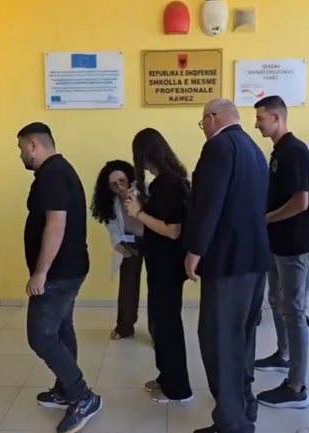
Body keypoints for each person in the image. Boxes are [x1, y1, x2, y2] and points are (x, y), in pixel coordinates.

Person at [186, 98, 270, 433]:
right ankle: (245, 406)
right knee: (242, 338)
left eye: (202, 123)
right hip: (256, 259)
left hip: (227, 262)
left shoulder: (219, 147)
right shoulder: (254, 150)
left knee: (219, 340)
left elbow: (210, 203)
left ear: (212, 118)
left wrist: (195, 249)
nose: (203, 130)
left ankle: (232, 424)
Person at [18, 122, 102, 433]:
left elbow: (56, 225)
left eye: (21, 149)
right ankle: (66, 389)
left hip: (58, 272)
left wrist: (40, 273)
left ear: (34, 145)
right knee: (62, 327)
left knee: (41, 336)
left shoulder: (52, 175)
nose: (20, 155)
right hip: (69, 268)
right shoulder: (59, 170)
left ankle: (82, 396)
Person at [123, 128, 192, 404]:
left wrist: (138, 212)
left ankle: (178, 389)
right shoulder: (165, 182)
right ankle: (166, 377)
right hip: (161, 264)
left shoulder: (168, 185)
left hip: (167, 265)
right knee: (161, 323)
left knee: (168, 325)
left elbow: (172, 230)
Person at [252, 95, 309, 408]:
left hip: (295, 245)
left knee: (294, 310)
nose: (256, 124)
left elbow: (301, 202)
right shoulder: (278, 152)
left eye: (260, 118)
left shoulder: (296, 151)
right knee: (275, 299)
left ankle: (297, 386)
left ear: (276, 117)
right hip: (276, 242)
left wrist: (266, 218)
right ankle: (283, 354)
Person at [91, 160, 145, 340]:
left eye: (122, 181)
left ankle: (158, 330)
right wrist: (119, 246)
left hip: (153, 239)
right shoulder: (111, 202)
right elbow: (113, 228)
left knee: (157, 285)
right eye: (114, 185)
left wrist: (136, 200)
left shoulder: (144, 190)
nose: (120, 187)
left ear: (129, 177)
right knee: (128, 285)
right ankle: (125, 326)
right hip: (129, 241)